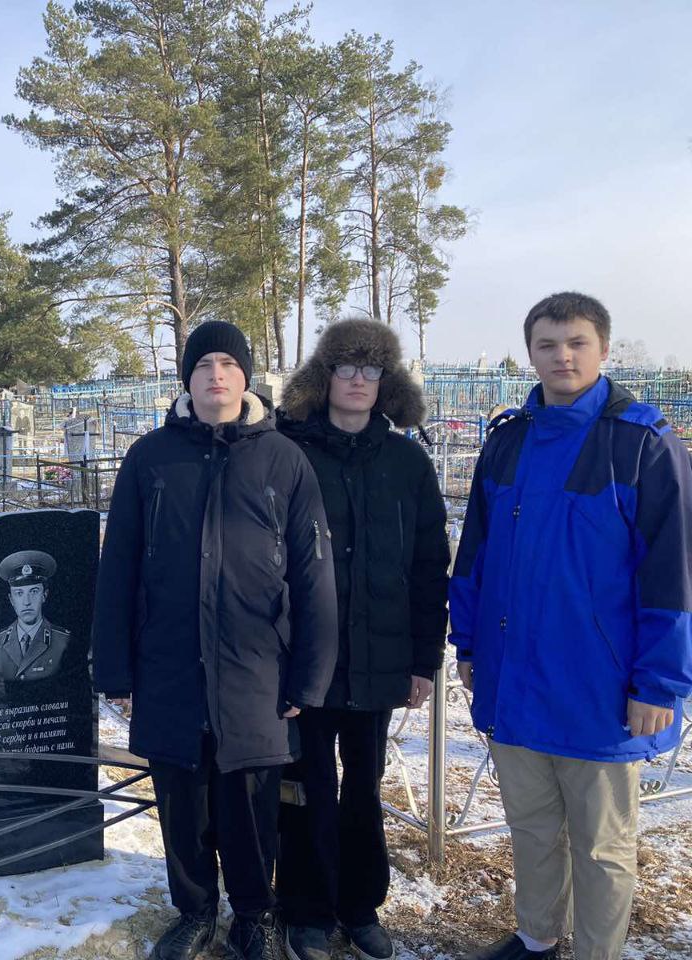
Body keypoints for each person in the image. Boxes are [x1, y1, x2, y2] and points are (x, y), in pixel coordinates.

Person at [450, 292, 692, 960]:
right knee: (531, 826)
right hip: (515, 677)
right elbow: (475, 554)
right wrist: (467, 642)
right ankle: (536, 938)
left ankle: (595, 952)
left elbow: (673, 574)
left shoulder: (641, 443)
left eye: (577, 342)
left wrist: (659, 682)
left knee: (602, 845)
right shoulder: (509, 441)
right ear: (530, 353)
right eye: (548, 345)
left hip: (600, 689)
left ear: (603, 349)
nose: (563, 356)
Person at [92, 320, 338, 960]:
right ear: (188, 379)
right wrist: (114, 668)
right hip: (170, 663)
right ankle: (195, 910)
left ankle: (255, 915)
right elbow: (119, 565)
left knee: (252, 806)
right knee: (183, 803)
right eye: (204, 365)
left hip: (255, 668)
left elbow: (313, 575)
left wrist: (309, 677)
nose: (216, 375)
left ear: (245, 377)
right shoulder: (151, 457)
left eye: (228, 363)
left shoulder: (283, 459)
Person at [274, 319, 450, 960]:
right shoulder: (289, 451)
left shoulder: (406, 462)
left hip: (379, 657)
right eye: (345, 367)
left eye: (370, 370)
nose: (356, 380)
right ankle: (306, 909)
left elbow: (429, 564)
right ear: (323, 377)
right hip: (307, 659)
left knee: (364, 786)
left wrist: (424, 659)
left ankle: (360, 904)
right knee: (307, 784)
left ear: (386, 382)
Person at [0, 550, 71, 681]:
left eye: (34, 591)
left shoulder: (63, 640)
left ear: (44, 595)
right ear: (11, 599)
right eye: (19, 593)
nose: (27, 602)